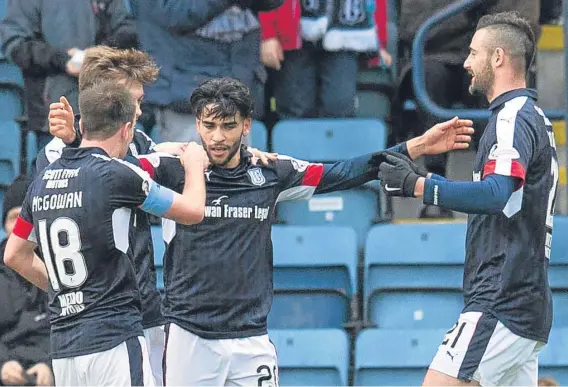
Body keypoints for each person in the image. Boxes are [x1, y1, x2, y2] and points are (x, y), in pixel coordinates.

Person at [125, 77, 475, 386]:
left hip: (251, 338)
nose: (217, 137)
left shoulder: (272, 171)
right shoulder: (172, 169)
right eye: (209, 125)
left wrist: (416, 146)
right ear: (198, 125)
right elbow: (109, 166)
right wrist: (157, 148)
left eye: (228, 126)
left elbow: (343, 172)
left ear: (247, 125)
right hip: (190, 338)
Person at [378, 12, 556, 386]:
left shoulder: (512, 119)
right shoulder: (534, 117)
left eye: (473, 53)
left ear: (498, 58)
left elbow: (495, 194)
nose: (465, 62)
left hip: (502, 299)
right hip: (525, 301)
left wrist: (421, 185)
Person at [3, 81, 209, 386]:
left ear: (83, 124)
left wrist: (63, 290)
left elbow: (14, 255)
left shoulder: (42, 181)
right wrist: (193, 163)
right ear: (127, 130)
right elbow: (192, 211)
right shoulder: (116, 175)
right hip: (113, 336)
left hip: (64, 344)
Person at [36, 45, 171, 386]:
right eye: (133, 100)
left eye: (141, 100)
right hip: (91, 320)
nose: (139, 110)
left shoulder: (138, 140)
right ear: (103, 97)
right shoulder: (54, 154)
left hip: (144, 308)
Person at [0, 175, 53, 387]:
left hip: (54, 369)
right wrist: (2, 364)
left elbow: (75, 329)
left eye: (27, 218)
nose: (20, 226)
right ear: (4, 224)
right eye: (14, 218)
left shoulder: (61, 269)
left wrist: (50, 365)